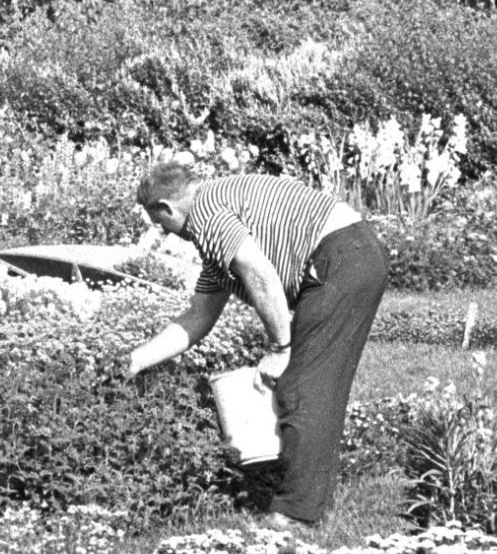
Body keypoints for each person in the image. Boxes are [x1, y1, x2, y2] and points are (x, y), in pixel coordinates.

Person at [124, 161, 390, 531]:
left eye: (158, 222)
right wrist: (136, 359)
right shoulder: (220, 218)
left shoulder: (206, 212)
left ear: (166, 208)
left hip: (341, 257)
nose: (162, 232)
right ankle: (306, 497)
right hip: (351, 252)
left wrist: (281, 349)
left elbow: (259, 273)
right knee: (314, 384)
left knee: (305, 386)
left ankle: (296, 515)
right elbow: (198, 317)